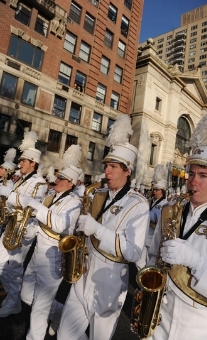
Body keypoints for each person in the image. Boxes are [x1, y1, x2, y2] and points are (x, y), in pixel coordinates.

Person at [57, 114, 150, 340]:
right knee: (64, 336)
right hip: (84, 274)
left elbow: (133, 251)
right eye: (107, 166)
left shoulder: (139, 204)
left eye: (114, 167)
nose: (107, 171)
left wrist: (97, 230)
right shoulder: (97, 193)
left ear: (127, 171)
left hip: (109, 282)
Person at [145, 109, 207, 340]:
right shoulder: (170, 211)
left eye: (203, 175)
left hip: (199, 330)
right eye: (191, 174)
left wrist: (196, 261)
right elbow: (152, 256)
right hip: (159, 322)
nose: (193, 182)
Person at [17, 144, 83, 340]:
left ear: (71, 183)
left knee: (39, 309)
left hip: (53, 255)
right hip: (38, 250)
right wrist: (29, 230)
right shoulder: (52, 196)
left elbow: (62, 225)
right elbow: (41, 222)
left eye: (61, 178)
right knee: (26, 295)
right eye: (58, 176)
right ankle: (59, 312)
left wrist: (37, 207)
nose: (56, 180)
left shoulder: (74, 202)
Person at [0, 131, 47, 317]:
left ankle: (14, 301)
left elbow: (31, 203)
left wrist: (9, 194)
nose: (20, 164)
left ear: (33, 163)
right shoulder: (21, 180)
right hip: (12, 224)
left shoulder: (40, 183)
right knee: (3, 264)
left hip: (24, 230)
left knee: (15, 267)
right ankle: (14, 297)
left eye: (23, 161)